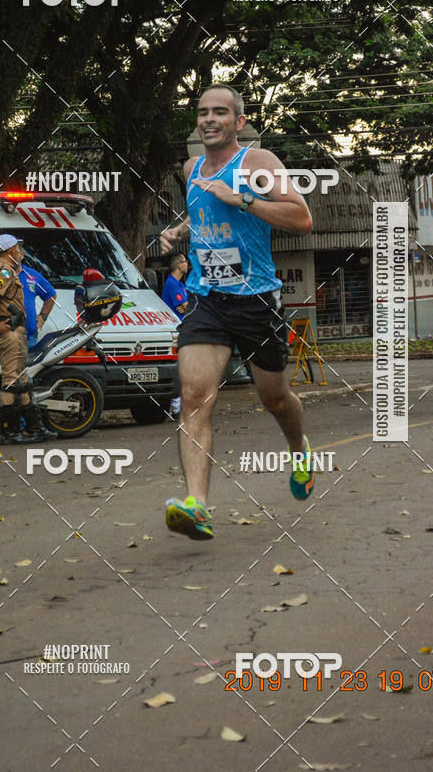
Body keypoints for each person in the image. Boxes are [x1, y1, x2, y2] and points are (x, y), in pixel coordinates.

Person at [159, 84, 313, 540]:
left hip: (256, 301)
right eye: (203, 112)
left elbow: (302, 219)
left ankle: (299, 449)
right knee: (194, 397)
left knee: (275, 400)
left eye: (220, 113)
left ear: (238, 121)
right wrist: (179, 230)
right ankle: (197, 507)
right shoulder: (191, 168)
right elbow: (202, 204)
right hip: (207, 299)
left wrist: (241, 198)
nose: (209, 119)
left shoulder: (258, 165)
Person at [0, 234, 55, 442]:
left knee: (23, 382)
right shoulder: (5, 270)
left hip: (14, 333)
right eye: (17, 248)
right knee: (11, 383)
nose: (20, 251)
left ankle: (33, 428)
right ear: (10, 251)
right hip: (9, 333)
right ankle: (10, 431)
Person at [161, 253, 189, 417]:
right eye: (185, 261)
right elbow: (185, 306)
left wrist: (187, 307)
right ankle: (177, 407)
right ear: (179, 265)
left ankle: (180, 405)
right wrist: (187, 307)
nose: (187, 264)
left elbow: (188, 306)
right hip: (176, 330)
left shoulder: (179, 285)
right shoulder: (171, 284)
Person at [18, 256, 57, 348]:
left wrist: (43, 316)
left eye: (15, 251)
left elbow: (51, 295)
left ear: (22, 255)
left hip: (29, 338)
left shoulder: (31, 274)